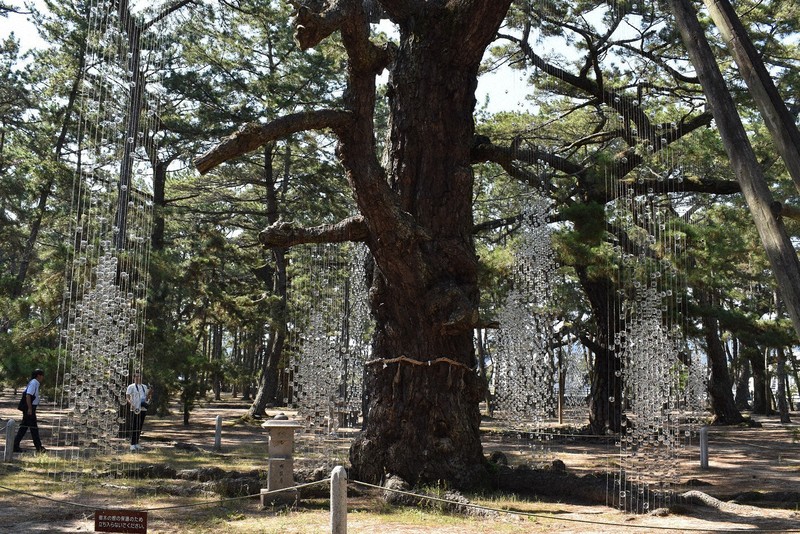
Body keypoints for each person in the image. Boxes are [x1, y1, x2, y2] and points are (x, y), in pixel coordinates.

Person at [13, 369, 46, 454]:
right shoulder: (34, 383)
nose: (43, 377)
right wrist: (30, 408)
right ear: (38, 375)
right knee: (33, 428)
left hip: (30, 408)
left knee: (24, 428)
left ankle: (15, 445)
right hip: (29, 408)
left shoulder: (34, 383)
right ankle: (38, 447)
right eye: (42, 375)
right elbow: (28, 395)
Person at [125, 371, 152, 452]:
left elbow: (147, 398)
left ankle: (137, 443)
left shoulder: (144, 386)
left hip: (143, 408)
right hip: (135, 408)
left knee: (140, 426)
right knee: (134, 425)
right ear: (134, 378)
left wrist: (150, 393)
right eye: (136, 376)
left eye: (139, 376)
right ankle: (132, 444)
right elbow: (127, 397)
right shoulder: (131, 386)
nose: (138, 378)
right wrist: (131, 404)